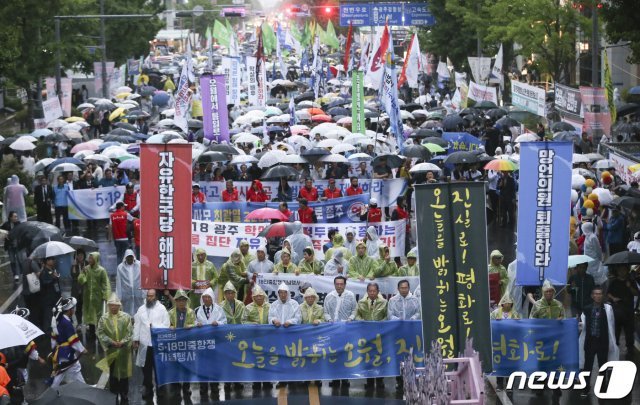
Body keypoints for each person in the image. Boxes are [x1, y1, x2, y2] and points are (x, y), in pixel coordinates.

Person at [579, 286, 619, 396]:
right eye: (595, 294)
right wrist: (580, 326)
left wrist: (612, 341)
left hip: (603, 342)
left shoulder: (608, 309)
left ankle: (602, 387)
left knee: (603, 366)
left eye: (600, 294)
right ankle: (585, 387)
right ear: (592, 296)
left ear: (603, 296)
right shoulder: (587, 308)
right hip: (590, 341)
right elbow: (583, 323)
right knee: (587, 366)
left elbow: (612, 325)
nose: (598, 296)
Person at [134, 289, 170, 401]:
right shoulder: (141, 309)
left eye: (152, 296)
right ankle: (148, 387)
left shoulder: (162, 309)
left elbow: (166, 324)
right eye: (148, 296)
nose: (150, 298)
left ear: (156, 297)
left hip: (157, 343)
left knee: (159, 367)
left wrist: (154, 326)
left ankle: (160, 388)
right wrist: (135, 339)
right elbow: (137, 325)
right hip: (145, 344)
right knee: (146, 368)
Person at [97, 293, 133, 405]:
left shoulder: (126, 317)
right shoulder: (104, 319)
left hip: (123, 351)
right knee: (112, 373)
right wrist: (110, 341)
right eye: (111, 305)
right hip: (111, 350)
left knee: (124, 374)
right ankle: (113, 394)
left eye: (115, 305)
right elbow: (100, 333)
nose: (113, 307)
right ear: (108, 306)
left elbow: (130, 332)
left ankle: (124, 394)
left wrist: (123, 342)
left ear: (119, 306)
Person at [194, 287, 225, 400]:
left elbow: (224, 321)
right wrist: (196, 324)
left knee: (214, 366)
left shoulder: (219, 309)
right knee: (202, 366)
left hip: (215, 343)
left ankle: (215, 387)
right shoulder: (197, 310)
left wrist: (218, 323)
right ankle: (203, 388)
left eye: (208, 297)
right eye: (204, 297)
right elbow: (193, 321)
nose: (206, 299)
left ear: (212, 298)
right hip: (202, 343)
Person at [356, 283, 388, 390]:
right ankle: (369, 381)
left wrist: (379, 324)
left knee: (380, 358)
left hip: (380, 335)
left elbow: (387, 316)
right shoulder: (361, 302)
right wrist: (363, 322)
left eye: (374, 291)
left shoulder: (384, 302)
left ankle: (380, 381)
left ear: (378, 291)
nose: (372, 293)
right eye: (370, 291)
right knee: (368, 358)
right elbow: (357, 315)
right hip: (366, 335)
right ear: (367, 291)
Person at [50, 297, 87, 387]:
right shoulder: (67, 323)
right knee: (61, 372)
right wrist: (82, 349)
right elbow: (73, 340)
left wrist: (54, 348)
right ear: (70, 310)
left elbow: (53, 337)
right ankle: (52, 390)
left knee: (67, 370)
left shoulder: (60, 320)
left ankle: (84, 387)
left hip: (61, 351)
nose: (74, 310)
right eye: (73, 308)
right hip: (66, 351)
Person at [607, 265, 639, 357]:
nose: (622, 272)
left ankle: (630, 355)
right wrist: (613, 298)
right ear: (617, 271)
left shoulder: (631, 281)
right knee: (615, 334)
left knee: (629, 335)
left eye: (624, 270)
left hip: (628, 312)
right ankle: (615, 354)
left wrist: (629, 287)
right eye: (620, 270)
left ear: (627, 271)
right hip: (616, 312)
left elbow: (636, 293)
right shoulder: (613, 282)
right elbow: (608, 293)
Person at [78, 252, 110, 339]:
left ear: (96, 259)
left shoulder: (101, 270)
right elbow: (81, 280)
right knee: (90, 315)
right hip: (88, 297)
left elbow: (105, 284)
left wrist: (106, 295)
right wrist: (83, 273)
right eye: (89, 258)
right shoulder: (86, 269)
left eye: (91, 258)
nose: (89, 260)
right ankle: (92, 334)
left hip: (98, 297)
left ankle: (100, 334)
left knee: (99, 316)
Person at [116, 249, 144, 317]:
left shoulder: (139, 265)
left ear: (133, 257)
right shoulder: (120, 267)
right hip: (126, 294)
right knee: (127, 312)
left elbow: (143, 278)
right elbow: (118, 282)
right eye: (128, 257)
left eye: (131, 257)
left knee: (139, 311)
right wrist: (118, 297)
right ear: (125, 257)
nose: (130, 259)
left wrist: (145, 293)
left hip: (138, 293)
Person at [1, 211, 21, 281]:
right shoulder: (6, 224)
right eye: (15, 216)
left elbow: (21, 232)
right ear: (10, 217)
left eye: (16, 216)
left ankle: (21, 272)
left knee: (19, 259)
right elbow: (1, 230)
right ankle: (15, 274)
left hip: (17, 245)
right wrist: (4, 235)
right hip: (10, 246)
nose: (16, 218)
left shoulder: (18, 224)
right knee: (12, 261)